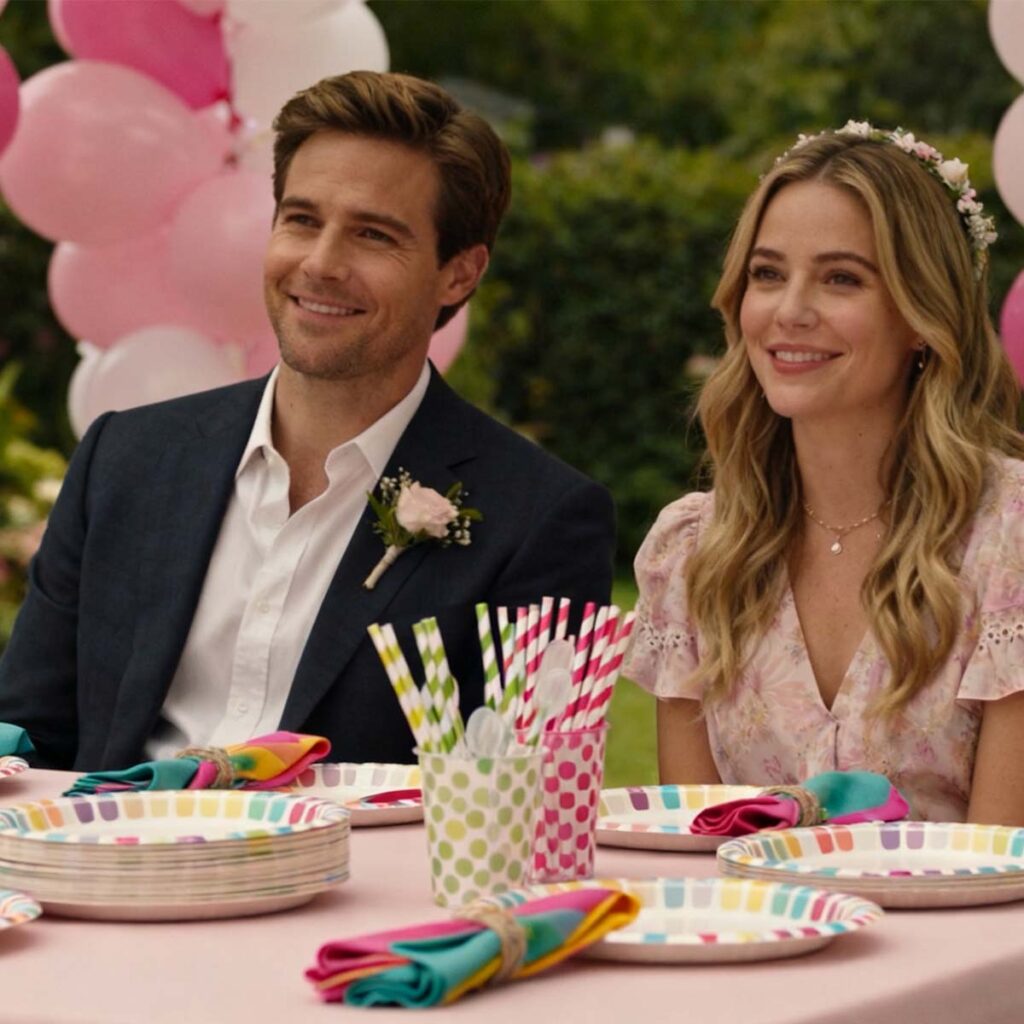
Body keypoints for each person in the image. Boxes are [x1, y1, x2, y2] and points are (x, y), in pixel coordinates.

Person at [0, 71, 615, 770]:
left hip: (347, 877)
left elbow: (526, 804)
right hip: (107, 863)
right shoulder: (124, 457)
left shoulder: (542, 518)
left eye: (373, 235)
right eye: (301, 220)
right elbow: (25, 743)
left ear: (459, 273)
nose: (321, 265)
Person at [625, 121, 1024, 825]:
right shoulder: (691, 553)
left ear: (922, 316)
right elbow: (696, 847)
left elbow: (1004, 870)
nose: (790, 311)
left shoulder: (1008, 540)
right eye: (768, 274)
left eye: (842, 278)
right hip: (757, 933)